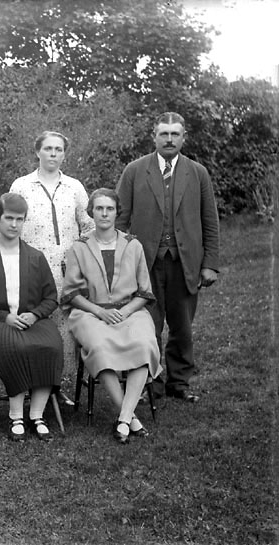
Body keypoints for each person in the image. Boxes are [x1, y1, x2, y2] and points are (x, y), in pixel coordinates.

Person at [116, 112, 219, 404]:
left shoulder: (197, 173)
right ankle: (151, 382)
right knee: (147, 324)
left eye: (175, 134)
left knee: (182, 326)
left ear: (184, 137)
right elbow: (120, 219)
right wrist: (118, 259)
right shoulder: (135, 171)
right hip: (145, 263)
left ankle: (179, 382)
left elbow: (210, 220)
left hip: (184, 262)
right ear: (154, 137)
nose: (169, 139)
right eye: (164, 134)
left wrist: (210, 264)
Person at [61, 189, 162, 444]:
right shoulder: (79, 247)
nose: (104, 214)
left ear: (117, 212)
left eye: (109, 209)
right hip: (90, 312)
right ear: (91, 212)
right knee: (99, 347)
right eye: (99, 208)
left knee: (144, 344)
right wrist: (100, 312)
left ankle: (124, 418)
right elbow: (71, 293)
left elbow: (144, 292)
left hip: (130, 311)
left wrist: (124, 312)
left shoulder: (133, 245)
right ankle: (131, 419)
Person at [0, 193, 64, 442]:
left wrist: (35, 314)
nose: (14, 224)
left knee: (51, 346)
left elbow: (51, 298)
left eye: (20, 219)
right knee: (16, 347)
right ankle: (16, 415)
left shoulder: (35, 257)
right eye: (9, 218)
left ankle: (37, 415)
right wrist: (4, 317)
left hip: (32, 321)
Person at [9, 131, 94, 405]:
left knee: (63, 328)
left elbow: (88, 225)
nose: (53, 154)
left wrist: (80, 255)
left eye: (58, 149)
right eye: (48, 148)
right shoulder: (22, 185)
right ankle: (27, 384)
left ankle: (56, 385)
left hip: (66, 270)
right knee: (32, 322)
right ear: (38, 152)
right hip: (30, 267)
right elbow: (11, 224)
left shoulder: (74, 187)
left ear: (64, 154)